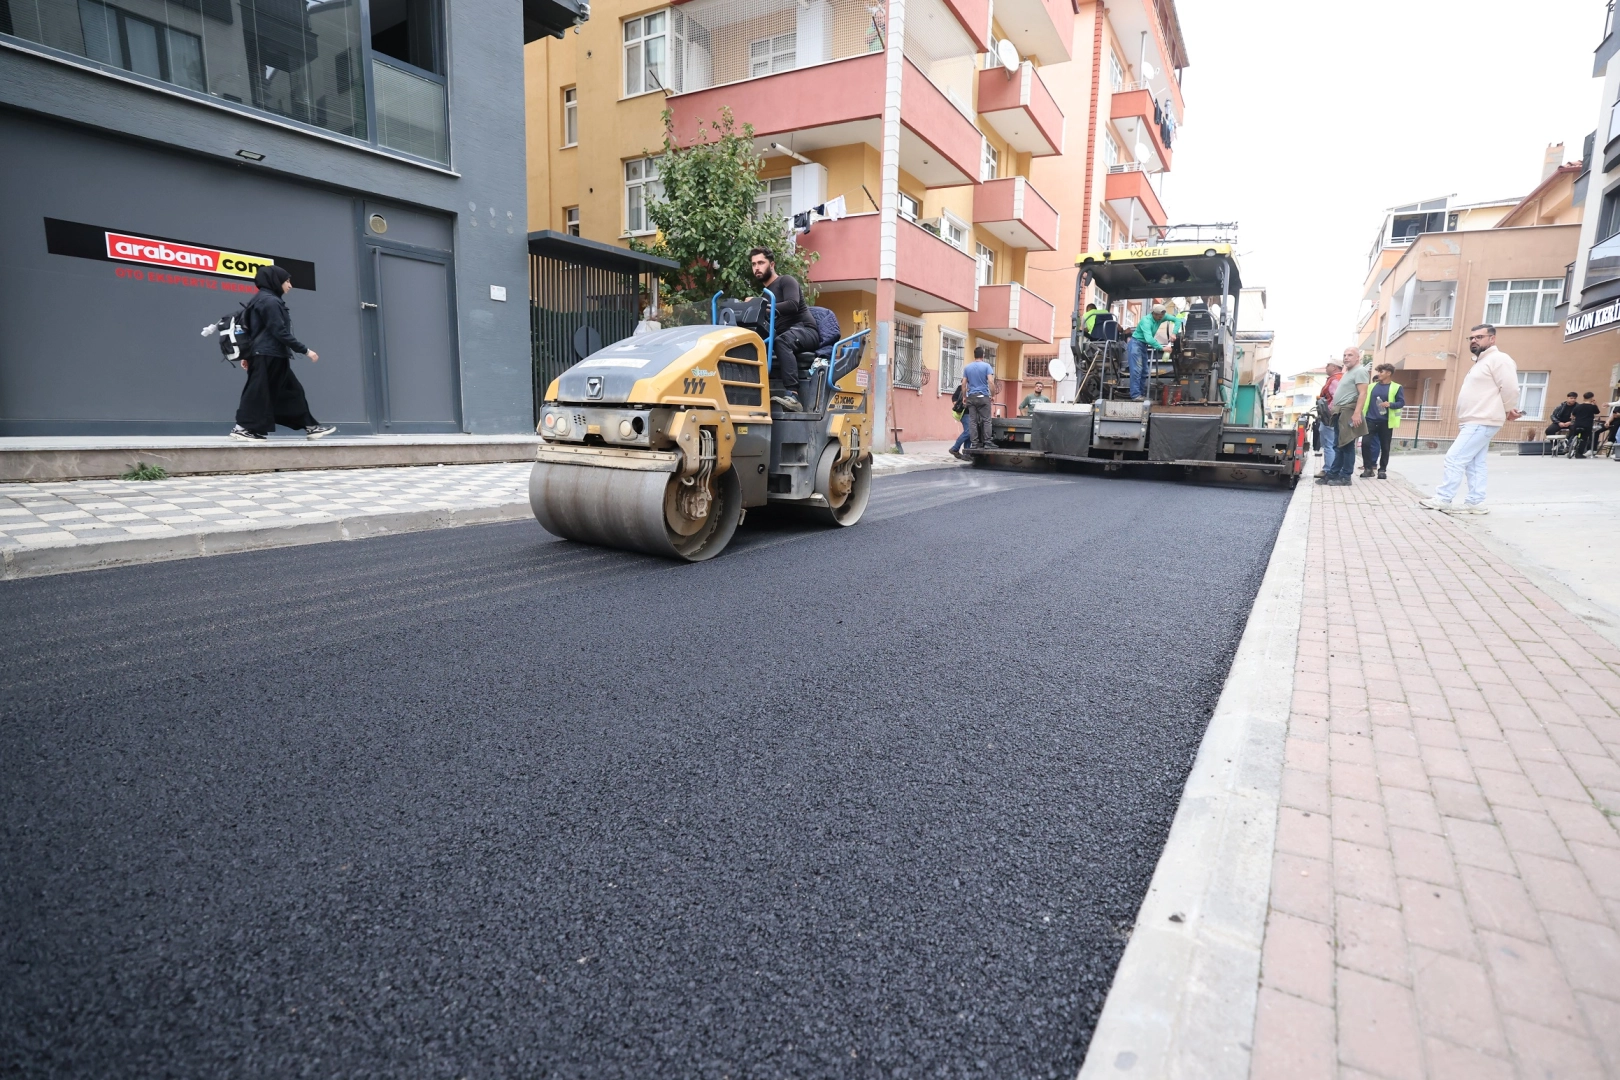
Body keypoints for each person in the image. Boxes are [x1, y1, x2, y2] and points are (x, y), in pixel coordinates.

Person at [1420, 324, 1522, 514]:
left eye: (1479, 337)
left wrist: (1509, 409)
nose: (1474, 340)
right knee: (1475, 463)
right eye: (1472, 338)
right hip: (1474, 420)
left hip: (1482, 419)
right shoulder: (1481, 362)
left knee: (1454, 458)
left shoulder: (1499, 359)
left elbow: (1510, 387)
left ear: (1492, 339)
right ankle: (1476, 502)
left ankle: (1443, 498)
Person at [231, 265, 335, 441]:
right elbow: (279, 331)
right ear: (275, 281)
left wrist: (248, 355)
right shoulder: (270, 301)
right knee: (258, 391)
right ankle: (242, 429)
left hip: (269, 354)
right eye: (286, 281)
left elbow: (253, 330)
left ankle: (310, 426)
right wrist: (305, 350)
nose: (290, 285)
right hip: (268, 355)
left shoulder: (260, 299)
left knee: (291, 391)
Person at [748, 247, 819, 412]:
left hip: (806, 330)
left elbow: (793, 304)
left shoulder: (786, 281)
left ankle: (793, 396)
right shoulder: (765, 295)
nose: (757, 267)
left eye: (761, 263)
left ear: (772, 264)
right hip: (786, 335)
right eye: (753, 264)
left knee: (781, 342)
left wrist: (761, 305)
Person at [1320, 348, 1368, 485]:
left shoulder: (1360, 371)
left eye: (1350, 355)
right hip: (1340, 411)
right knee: (1338, 445)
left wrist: (1357, 413)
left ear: (1358, 357)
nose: (1346, 357)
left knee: (1346, 445)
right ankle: (1333, 474)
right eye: (1345, 355)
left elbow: (1363, 393)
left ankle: (1346, 477)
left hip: (1348, 411)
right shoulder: (1348, 372)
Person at [1359, 363, 1406, 479]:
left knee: (1385, 447)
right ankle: (1368, 469)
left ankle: (1382, 470)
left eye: (1381, 372)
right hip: (1370, 420)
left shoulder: (1397, 387)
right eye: (1378, 372)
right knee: (1365, 443)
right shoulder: (1371, 386)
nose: (1378, 374)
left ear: (1388, 373)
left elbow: (1401, 402)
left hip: (1386, 421)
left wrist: (1390, 404)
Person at [1127, 302, 1171, 401]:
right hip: (1136, 344)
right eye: (1159, 317)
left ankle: (1140, 394)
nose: (1161, 318)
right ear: (1154, 314)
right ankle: (1135, 395)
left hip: (1143, 345)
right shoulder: (1146, 321)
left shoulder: (1160, 317)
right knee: (1137, 370)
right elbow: (1149, 339)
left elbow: (1176, 319)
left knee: (1144, 371)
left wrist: (1174, 334)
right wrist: (1162, 348)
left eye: (1162, 316)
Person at [961, 346, 996, 450]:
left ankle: (974, 443)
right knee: (986, 420)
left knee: (973, 421)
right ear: (983, 355)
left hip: (971, 397)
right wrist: (993, 395)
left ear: (974, 355)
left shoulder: (967, 367)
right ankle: (987, 442)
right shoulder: (987, 366)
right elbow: (991, 382)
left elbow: (963, 383)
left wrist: (964, 396)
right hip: (983, 396)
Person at [1314, 362, 1342, 464]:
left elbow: (1336, 398)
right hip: (1336, 415)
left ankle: (1329, 469)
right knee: (1332, 443)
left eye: (1328, 365)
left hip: (1329, 416)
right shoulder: (1341, 378)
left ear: (1334, 367)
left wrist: (1328, 412)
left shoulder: (1334, 380)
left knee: (1329, 444)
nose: (1326, 368)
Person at [1572, 391, 1601, 458]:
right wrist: (1595, 404)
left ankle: (1571, 447)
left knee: (1575, 435)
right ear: (1591, 398)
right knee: (1584, 439)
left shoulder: (1578, 406)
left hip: (1577, 424)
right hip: (1587, 425)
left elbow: (1573, 414)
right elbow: (1597, 412)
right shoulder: (1592, 407)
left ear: (1584, 398)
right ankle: (1579, 453)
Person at [949, 380, 972, 460]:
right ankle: (955, 448)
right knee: (968, 432)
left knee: (970, 433)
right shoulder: (961, 388)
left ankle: (966, 453)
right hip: (965, 413)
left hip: (972, 414)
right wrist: (959, 406)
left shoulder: (973, 388)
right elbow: (954, 398)